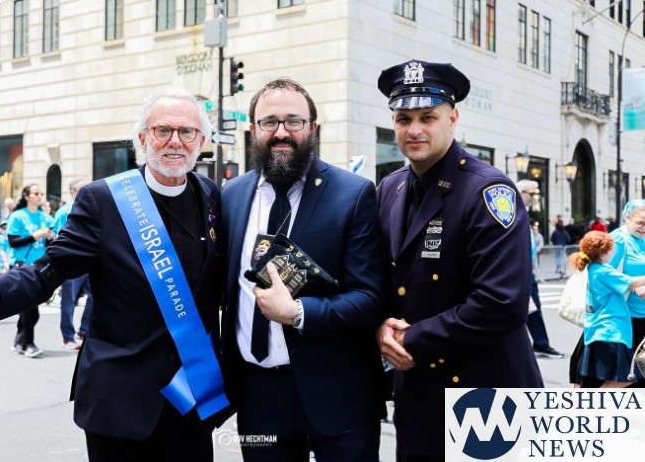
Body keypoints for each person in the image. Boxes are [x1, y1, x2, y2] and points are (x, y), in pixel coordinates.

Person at [0, 89, 228, 462]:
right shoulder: (105, 200)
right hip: (120, 399)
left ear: (201, 140)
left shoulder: (210, 195)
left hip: (191, 396)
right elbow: (48, 271)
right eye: (162, 130)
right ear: (143, 138)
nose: (175, 141)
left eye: (187, 131)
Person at [375, 60, 543, 461]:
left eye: (427, 117)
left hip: (486, 394)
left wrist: (409, 339)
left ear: (452, 119)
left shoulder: (488, 191)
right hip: (418, 392)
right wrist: (380, 325)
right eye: (403, 119)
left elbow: (501, 303)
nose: (414, 129)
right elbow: (383, 279)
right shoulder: (390, 189)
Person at [221, 78, 387, 461]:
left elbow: (370, 297)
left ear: (313, 128)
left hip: (340, 394)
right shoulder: (231, 195)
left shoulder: (353, 194)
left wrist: (297, 313)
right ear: (253, 130)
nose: (281, 132)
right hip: (259, 396)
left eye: (293, 121)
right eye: (269, 122)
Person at [568, 231, 645, 387]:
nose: (613, 252)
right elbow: (633, 282)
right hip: (610, 331)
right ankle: (597, 401)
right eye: (611, 249)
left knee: (613, 379)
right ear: (603, 253)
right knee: (625, 378)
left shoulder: (592, 268)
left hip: (602, 330)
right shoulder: (603, 271)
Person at [7, 184, 54, 358]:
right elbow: (13, 242)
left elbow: (50, 245)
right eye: (36, 193)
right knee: (31, 308)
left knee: (28, 306)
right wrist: (33, 236)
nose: (39, 196)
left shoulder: (46, 217)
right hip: (23, 266)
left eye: (41, 193)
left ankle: (20, 339)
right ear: (26, 196)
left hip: (42, 266)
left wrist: (49, 238)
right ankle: (28, 344)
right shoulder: (17, 216)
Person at [516, 180, 562, 357]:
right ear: (521, 193)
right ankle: (539, 343)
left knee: (532, 307)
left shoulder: (522, 212)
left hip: (526, 269)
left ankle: (540, 343)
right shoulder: (513, 210)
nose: (534, 197)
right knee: (529, 307)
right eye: (531, 194)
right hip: (519, 270)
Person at [53, 179, 93, 350]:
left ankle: (84, 329)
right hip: (72, 262)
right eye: (82, 188)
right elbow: (58, 237)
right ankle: (67, 336)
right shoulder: (64, 211)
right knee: (68, 301)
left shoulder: (92, 206)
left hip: (90, 261)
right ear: (72, 191)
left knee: (95, 297)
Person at [610, 199, 645, 388]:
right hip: (625, 318)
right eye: (640, 222)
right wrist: (633, 286)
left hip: (641, 316)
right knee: (625, 377)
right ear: (627, 218)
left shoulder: (642, 238)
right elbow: (601, 275)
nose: (644, 227)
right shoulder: (618, 239)